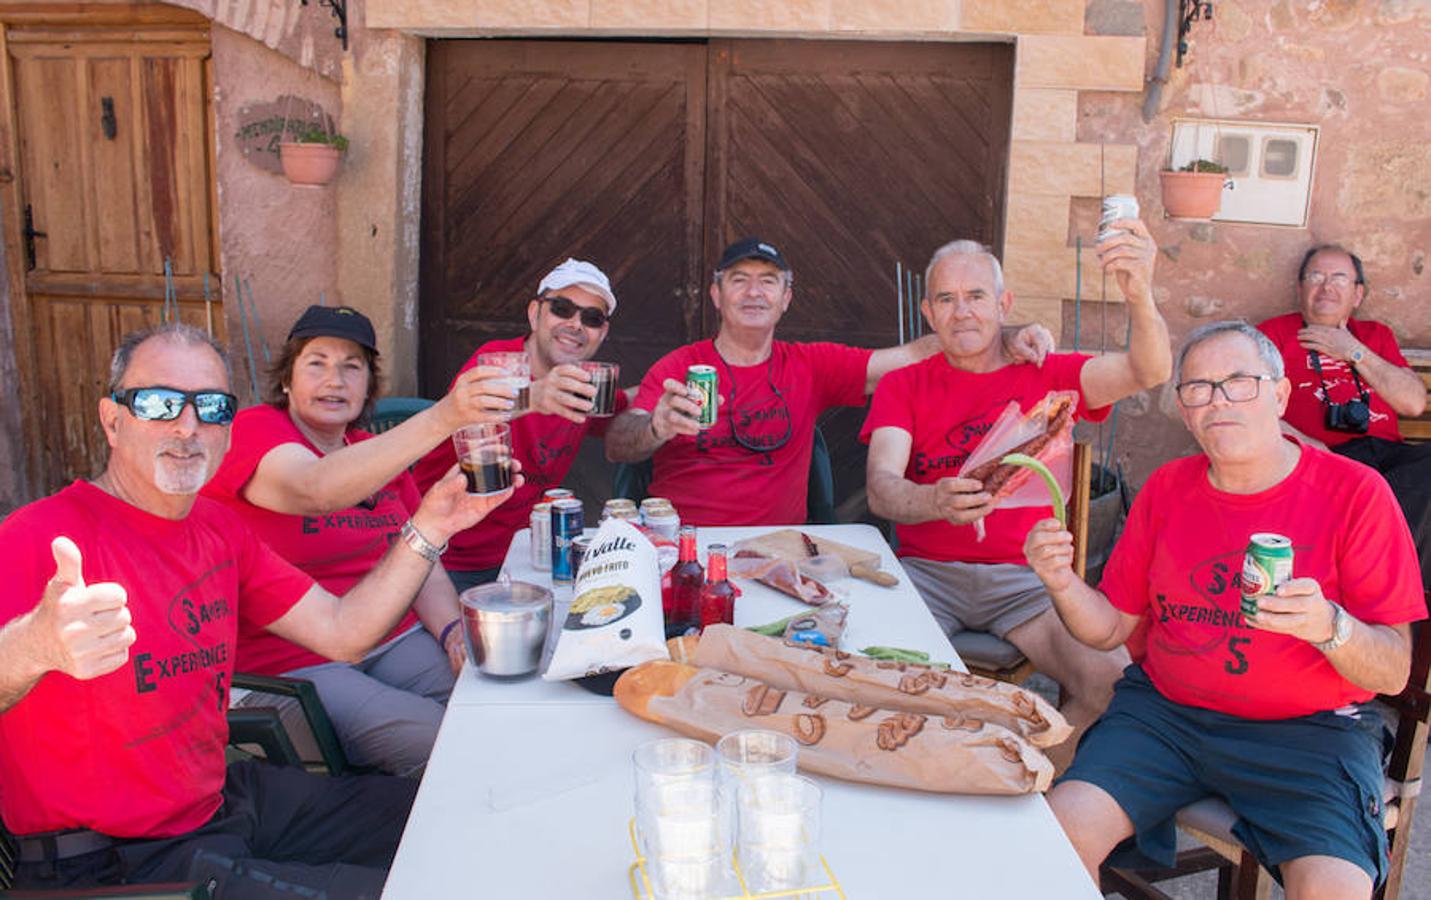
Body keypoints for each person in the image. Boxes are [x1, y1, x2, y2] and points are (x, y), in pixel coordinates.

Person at [0, 324, 517, 896]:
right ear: (112, 418)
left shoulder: (218, 530)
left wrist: (430, 526)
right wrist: (33, 645)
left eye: (212, 407)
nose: (188, 426)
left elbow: (343, 633)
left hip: (222, 801)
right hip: (110, 860)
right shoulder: (37, 537)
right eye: (159, 402)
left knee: (452, 810)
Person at [1024, 321, 1424, 898]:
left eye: (1240, 382)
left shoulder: (1355, 493)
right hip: (1167, 717)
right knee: (1054, 842)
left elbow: (1391, 671)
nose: (1218, 401)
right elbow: (1109, 628)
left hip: (1309, 735)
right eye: (1198, 389)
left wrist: (1331, 628)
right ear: (1185, 412)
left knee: (1335, 891)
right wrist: (1060, 582)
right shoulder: (1167, 489)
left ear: (1280, 395)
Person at [860, 221, 1171, 749]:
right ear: (929, 314)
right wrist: (934, 498)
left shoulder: (1046, 372)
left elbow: (1150, 369)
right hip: (925, 576)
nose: (963, 311)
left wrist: (1139, 292)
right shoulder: (903, 384)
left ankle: (1037, 784)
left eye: (976, 296)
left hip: (1025, 581)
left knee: (1119, 687)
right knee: (876, 688)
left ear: (1004, 304)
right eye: (947, 299)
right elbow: (881, 488)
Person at [201, 305, 514, 775]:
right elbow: (315, 489)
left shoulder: (373, 451)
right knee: (439, 741)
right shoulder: (254, 430)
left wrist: (452, 632)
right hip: (293, 661)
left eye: (352, 367)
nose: (336, 379)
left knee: (496, 708)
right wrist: (443, 417)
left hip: (395, 638)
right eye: (317, 362)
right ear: (287, 379)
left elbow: (420, 551)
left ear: (369, 384)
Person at [604, 237, 1053, 525]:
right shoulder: (681, 364)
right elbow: (617, 444)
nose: (755, 292)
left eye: (769, 282)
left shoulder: (810, 365)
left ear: (786, 299)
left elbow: (915, 354)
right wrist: (656, 427)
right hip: (683, 544)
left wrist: (999, 335)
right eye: (739, 281)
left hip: (777, 551)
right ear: (718, 296)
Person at [413, 258, 628, 590]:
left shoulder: (588, 384)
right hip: (443, 558)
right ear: (534, 314)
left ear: (603, 332)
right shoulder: (497, 362)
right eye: (562, 308)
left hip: (525, 557)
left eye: (592, 318)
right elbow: (469, 412)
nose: (575, 324)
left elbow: (628, 407)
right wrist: (535, 395)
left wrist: (667, 397)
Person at [1257, 244, 1430, 587]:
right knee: (1378, 492)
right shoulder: (1274, 335)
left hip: (1389, 460)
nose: (1327, 287)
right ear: (1300, 288)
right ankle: (1393, 588)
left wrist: (1352, 351)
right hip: (1322, 457)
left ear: (1358, 294)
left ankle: (1386, 579)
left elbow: (1412, 404)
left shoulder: (1375, 336)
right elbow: (1252, 404)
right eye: (1316, 277)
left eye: (1339, 278)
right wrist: (1305, 443)